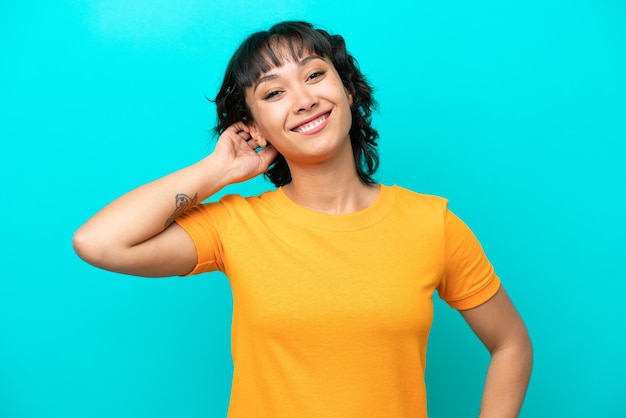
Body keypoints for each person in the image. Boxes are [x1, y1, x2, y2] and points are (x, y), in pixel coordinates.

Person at [73, 21, 533, 417]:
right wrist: (217, 171)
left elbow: (511, 344)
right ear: (253, 127)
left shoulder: (432, 223)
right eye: (274, 92)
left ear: (348, 89)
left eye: (314, 74)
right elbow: (99, 242)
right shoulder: (236, 226)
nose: (303, 99)